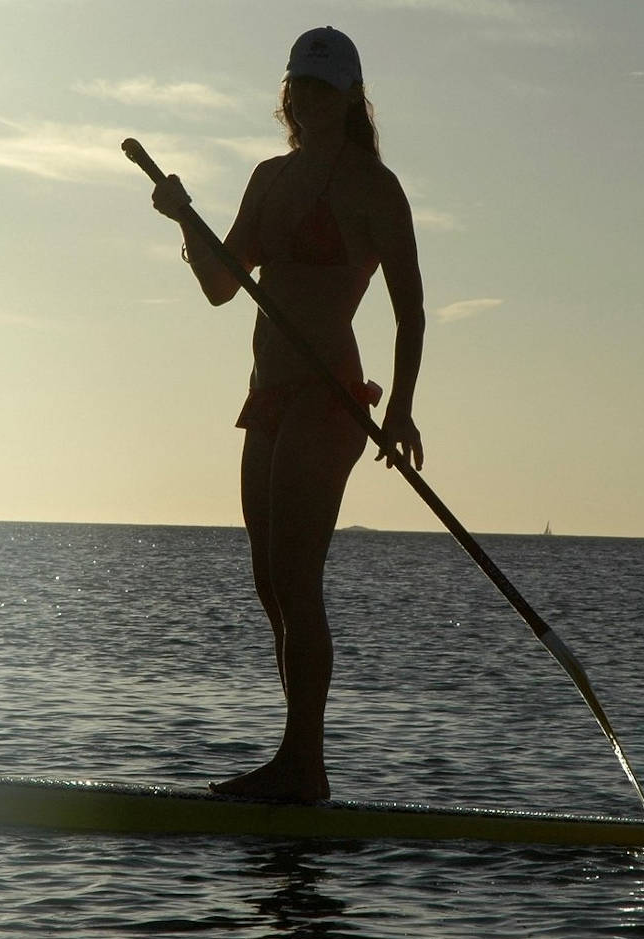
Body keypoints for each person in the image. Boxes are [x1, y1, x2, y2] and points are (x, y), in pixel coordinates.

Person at [150, 26, 426, 802]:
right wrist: (183, 217)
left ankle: (305, 764)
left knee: (298, 578)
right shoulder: (269, 178)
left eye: (323, 88)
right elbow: (220, 284)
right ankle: (295, 759)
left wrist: (400, 409)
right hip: (267, 392)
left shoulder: (376, 187)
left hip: (329, 391)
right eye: (298, 86)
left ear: (350, 99)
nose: (306, 99)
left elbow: (412, 311)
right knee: (270, 581)